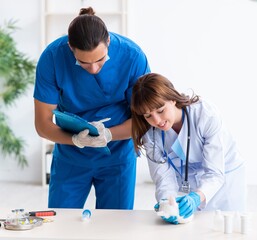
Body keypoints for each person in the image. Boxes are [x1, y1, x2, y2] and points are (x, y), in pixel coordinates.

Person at [33, 7, 150, 209]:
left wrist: (109, 134)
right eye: (84, 63)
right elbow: (42, 124)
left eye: (100, 60)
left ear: (109, 43)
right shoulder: (52, 58)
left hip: (117, 155)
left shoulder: (132, 57)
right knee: (62, 225)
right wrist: (75, 140)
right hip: (71, 155)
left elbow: (145, 118)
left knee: (115, 227)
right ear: (70, 47)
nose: (94, 69)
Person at [131, 73, 246, 224]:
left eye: (160, 110)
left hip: (226, 179)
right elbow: (163, 177)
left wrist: (197, 197)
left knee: (228, 227)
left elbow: (215, 173)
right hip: (191, 181)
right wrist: (167, 202)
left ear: (172, 99)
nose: (157, 121)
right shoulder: (151, 135)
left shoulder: (205, 115)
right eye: (148, 116)